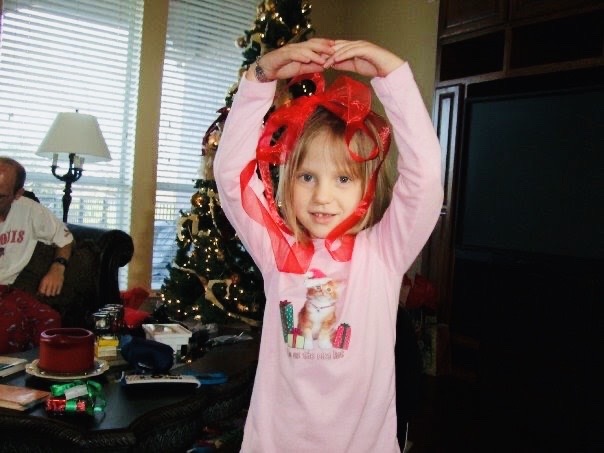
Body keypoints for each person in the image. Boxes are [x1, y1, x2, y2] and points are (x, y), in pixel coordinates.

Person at [214, 38, 443, 452]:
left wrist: (392, 74)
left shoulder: (384, 254)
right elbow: (231, 176)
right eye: (307, 177)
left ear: (366, 187)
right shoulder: (277, 251)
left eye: (342, 179)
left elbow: (425, 178)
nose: (322, 196)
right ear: (288, 183)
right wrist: (260, 77)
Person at [0, 157, 73, 353]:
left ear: (18, 194)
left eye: (1, 196)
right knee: (10, 320)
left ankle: (38, 376)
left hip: (8, 290)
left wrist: (58, 267)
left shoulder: (30, 211)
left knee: (49, 319)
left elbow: (65, 239)